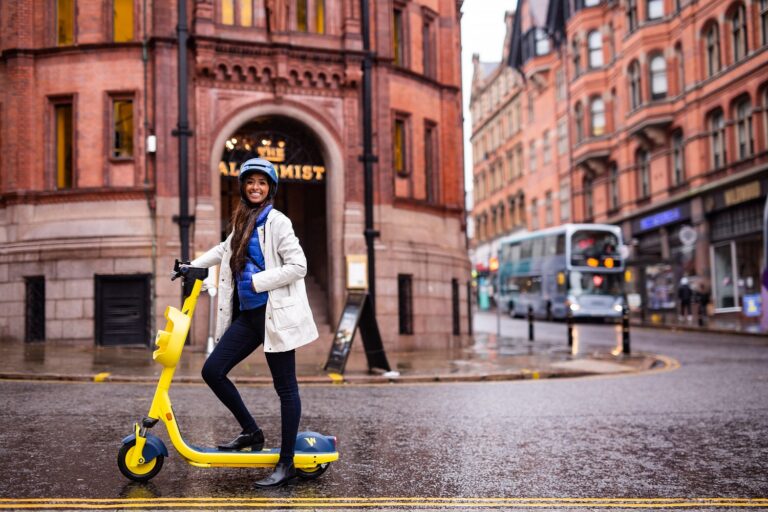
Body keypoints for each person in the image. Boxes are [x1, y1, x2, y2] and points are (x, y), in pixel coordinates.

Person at [188, 157, 318, 488]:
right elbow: (222, 250)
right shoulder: (243, 222)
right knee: (212, 371)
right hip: (249, 317)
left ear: (270, 188)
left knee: (286, 388)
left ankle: (286, 464)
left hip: (273, 315)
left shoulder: (278, 222)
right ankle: (251, 430)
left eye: (261, 182)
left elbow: (298, 265)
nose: (255, 187)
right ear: (243, 187)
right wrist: (190, 266)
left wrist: (260, 281)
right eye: (250, 182)